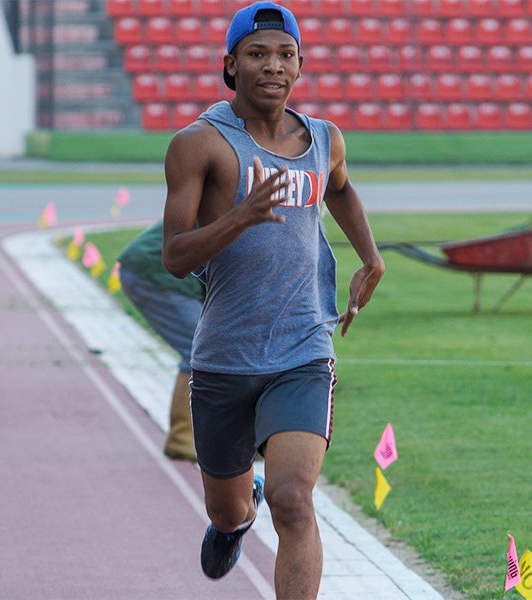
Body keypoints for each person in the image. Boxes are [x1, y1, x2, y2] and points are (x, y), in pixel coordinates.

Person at [160, 2, 385, 598]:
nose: (272, 66)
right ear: (230, 65)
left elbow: (341, 189)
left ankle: (269, 505)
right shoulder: (198, 145)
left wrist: (370, 256)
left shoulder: (323, 139)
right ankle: (235, 518)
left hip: (302, 349)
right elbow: (175, 256)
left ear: (301, 65)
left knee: (294, 499)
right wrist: (240, 218)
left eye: (285, 55)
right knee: (232, 509)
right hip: (224, 358)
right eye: (257, 54)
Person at [117, 220, 204, 462]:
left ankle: (241, 440)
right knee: (200, 350)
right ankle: (182, 437)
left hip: (151, 267)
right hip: (155, 272)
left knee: (212, 350)